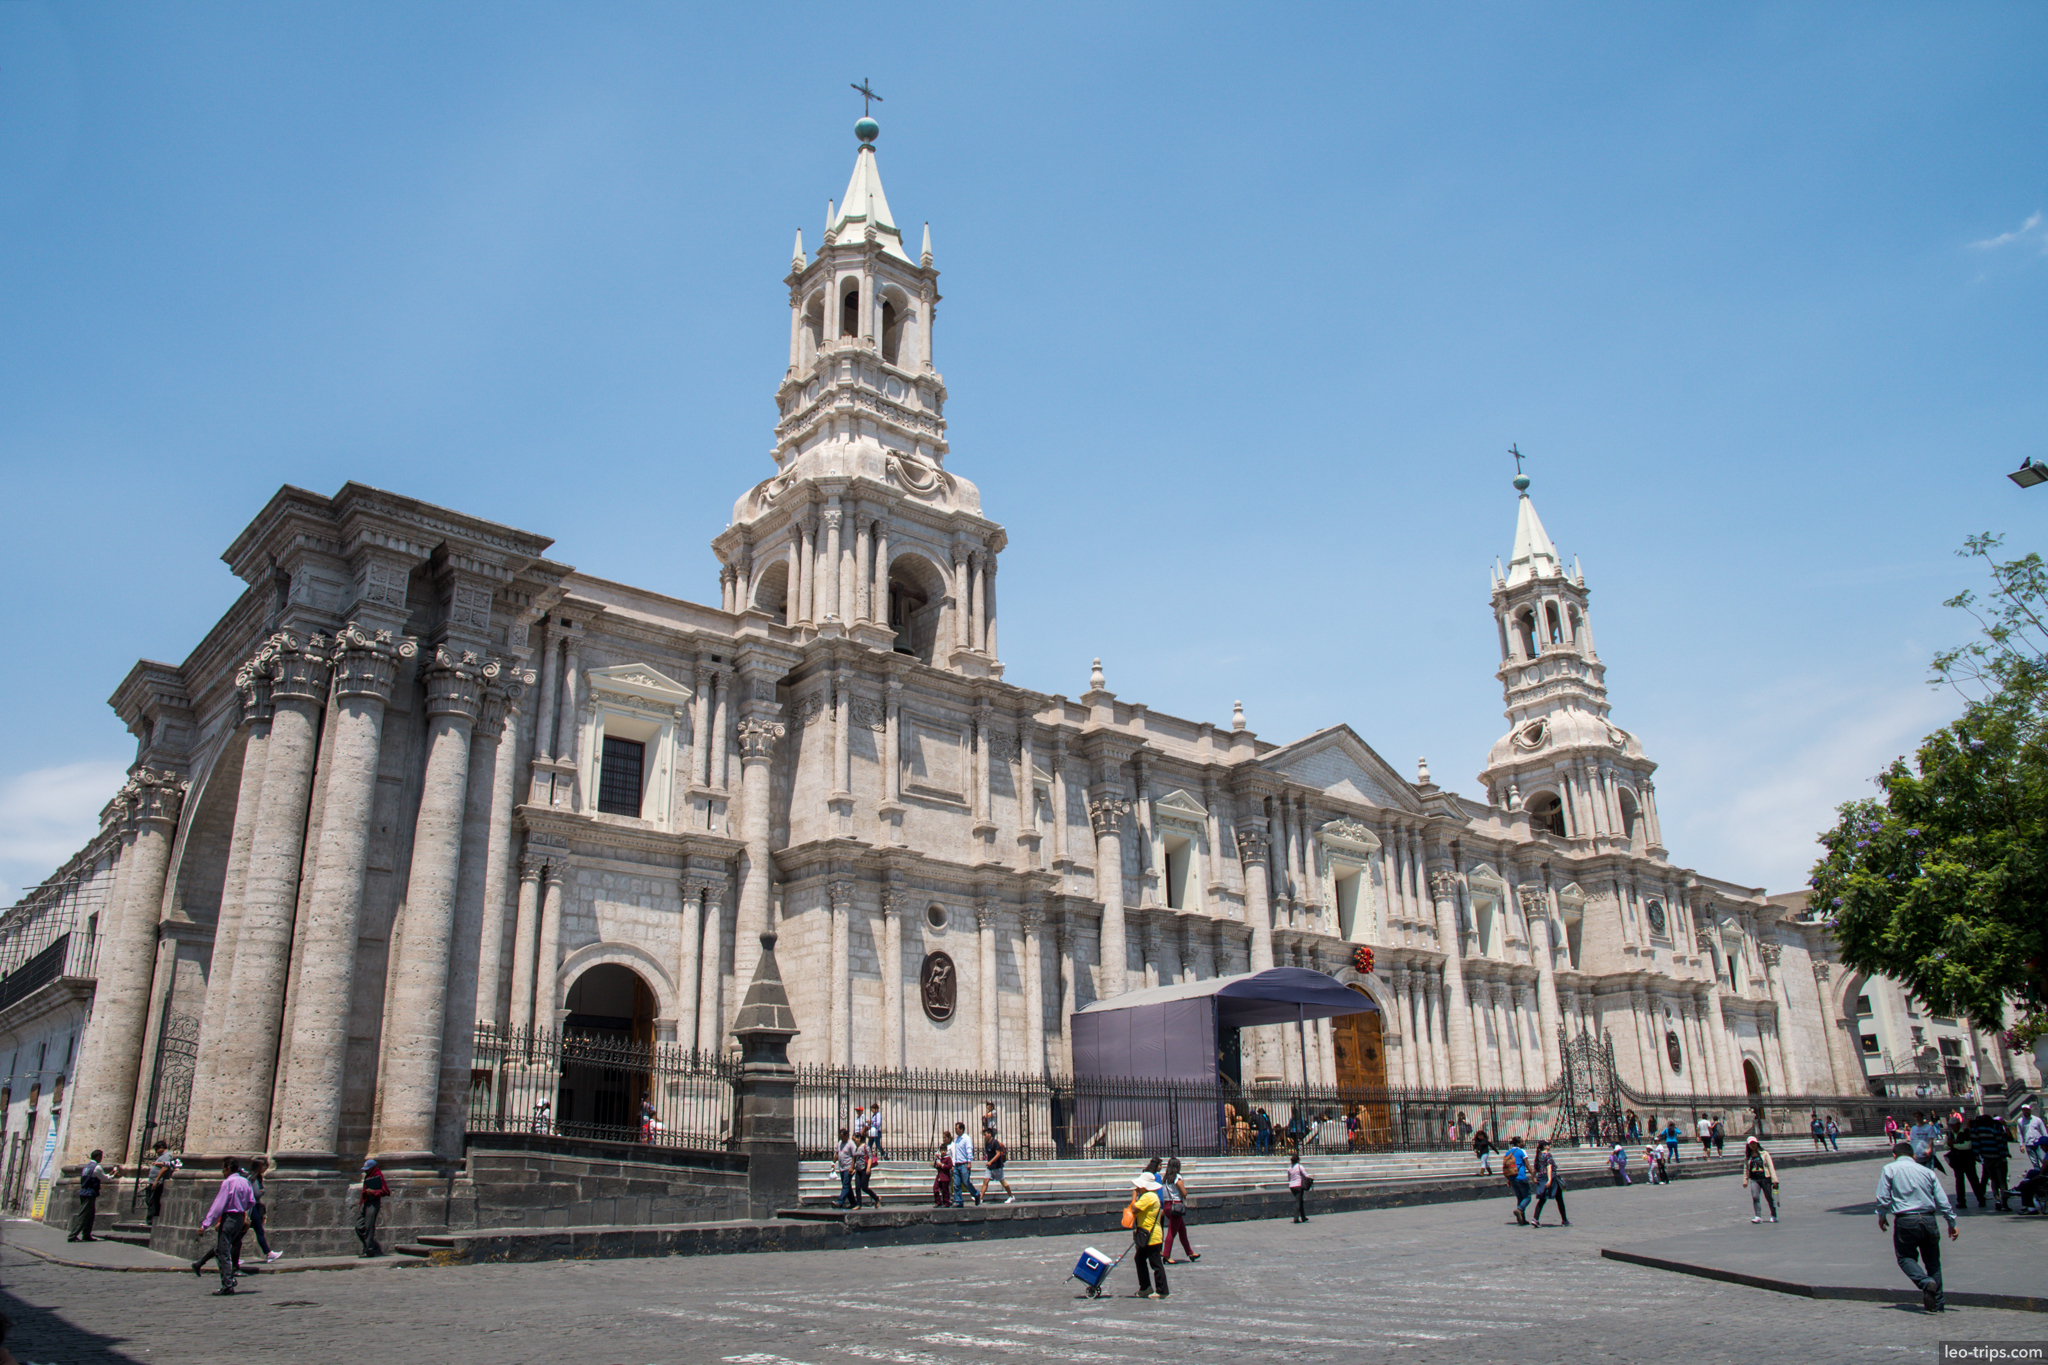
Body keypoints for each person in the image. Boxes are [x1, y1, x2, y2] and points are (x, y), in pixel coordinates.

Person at [1875, 1140, 1959, 1312]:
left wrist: (1882, 1215)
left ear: (1894, 1155)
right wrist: (1951, 1222)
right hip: (1929, 1219)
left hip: (1906, 1220)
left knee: (1905, 1258)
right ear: (1913, 1156)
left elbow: (1883, 1197)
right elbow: (1942, 1200)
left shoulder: (1890, 1169)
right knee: (1933, 1262)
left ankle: (1925, 1282)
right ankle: (1938, 1303)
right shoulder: (1927, 1171)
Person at [196, 1158, 256, 1295]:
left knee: (223, 1253)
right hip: (239, 1219)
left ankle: (228, 1284)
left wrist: (205, 1224)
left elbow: (218, 1206)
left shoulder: (228, 1183)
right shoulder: (245, 1181)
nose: (222, 1172)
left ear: (228, 1168)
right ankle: (225, 1276)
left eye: (223, 1169)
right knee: (221, 1249)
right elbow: (251, 1201)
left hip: (229, 1219)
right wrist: (241, 1208)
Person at [1126, 1174, 1168, 1298]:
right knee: (1139, 1259)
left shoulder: (1149, 1196)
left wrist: (1134, 1197)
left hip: (1151, 1236)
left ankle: (1162, 1290)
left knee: (1156, 1263)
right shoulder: (1150, 1196)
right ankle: (1145, 1287)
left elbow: (1134, 1209)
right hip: (1146, 1234)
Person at [1967, 1104, 2012, 1211]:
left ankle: (1997, 1199)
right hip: (1998, 1157)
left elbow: (1975, 1142)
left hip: (1987, 1158)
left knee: (1993, 1180)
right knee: (2002, 1181)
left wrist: (1977, 1155)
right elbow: (2001, 1141)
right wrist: (2004, 1154)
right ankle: (2004, 1202)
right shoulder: (1995, 1126)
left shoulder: (1977, 1128)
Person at [1160, 1157, 1199, 1264]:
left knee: (1182, 1231)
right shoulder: (1177, 1177)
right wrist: (1184, 1193)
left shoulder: (1165, 1179)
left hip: (1168, 1206)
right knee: (1172, 1232)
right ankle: (1166, 1255)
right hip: (1176, 1206)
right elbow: (1184, 1192)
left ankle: (1190, 1253)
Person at [247, 1156, 280, 1262]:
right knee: (258, 1230)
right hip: (252, 1207)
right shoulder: (253, 1178)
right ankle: (269, 1253)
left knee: (244, 1232)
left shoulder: (255, 1177)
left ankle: (269, 1253)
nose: (266, 1168)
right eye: (265, 1166)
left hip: (253, 1206)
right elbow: (257, 1193)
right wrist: (262, 1191)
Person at [355, 1158, 390, 1257]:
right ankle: (371, 1245)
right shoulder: (368, 1176)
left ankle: (369, 1250)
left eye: (367, 1169)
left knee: (369, 1226)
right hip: (365, 1202)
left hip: (373, 1202)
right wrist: (360, 1203)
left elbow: (386, 1191)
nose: (365, 1171)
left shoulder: (378, 1176)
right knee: (359, 1226)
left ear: (373, 1168)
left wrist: (373, 1192)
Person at [1944, 1113, 1978, 1211]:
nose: (1953, 1127)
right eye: (1951, 1125)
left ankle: (1980, 1198)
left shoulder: (1965, 1133)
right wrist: (1950, 1145)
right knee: (1959, 1182)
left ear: (1958, 1124)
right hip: (1957, 1161)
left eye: (1954, 1125)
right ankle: (1961, 1201)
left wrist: (1953, 1145)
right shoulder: (1949, 1134)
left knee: (1973, 1180)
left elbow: (1967, 1146)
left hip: (1968, 1161)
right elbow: (1945, 1146)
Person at [1531, 1139, 1569, 1228]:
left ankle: (1535, 1219)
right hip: (1550, 1178)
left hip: (1541, 1178)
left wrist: (1533, 1177)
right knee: (1559, 1200)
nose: (1549, 1146)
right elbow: (1549, 1167)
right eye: (1548, 1144)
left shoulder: (1539, 1156)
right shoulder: (1548, 1155)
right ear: (1544, 1146)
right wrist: (1549, 1180)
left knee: (1542, 1199)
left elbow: (1535, 1169)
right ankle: (1564, 1220)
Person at [1741, 1136, 1779, 1223]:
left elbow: (1771, 1167)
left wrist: (1774, 1180)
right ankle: (1758, 1216)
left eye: (1754, 1143)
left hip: (1765, 1178)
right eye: (1751, 1144)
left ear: (1757, 1143)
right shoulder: (1748, 1157)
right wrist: (1745, 1180)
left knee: (1769, 1197)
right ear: (1748, 1145)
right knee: (1755, 1197)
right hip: (1754, 1179)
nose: (1753, 1145)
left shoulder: (1764, 1153)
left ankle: (1773, 1215)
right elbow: (1746, 1169)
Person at [144, 1143, 179, 1227]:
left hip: (158, 1182)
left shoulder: (167, 1155)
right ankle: (151, 1220)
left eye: (157, 1149)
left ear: (162, 1147)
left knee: (153, 1200)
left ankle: (152, 1220)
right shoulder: (164, 1155)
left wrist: (156, 1180)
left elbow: (165, 1167)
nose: (156, 1152)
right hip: (154, 1181)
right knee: (150, 1199)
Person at [1504, 1136, 1532, 1225]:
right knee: (1527, 1197)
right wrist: (1533, 1175)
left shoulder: (1508, 1152)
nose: (1523, 1143)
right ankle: (1519, 1210)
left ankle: (1522, 1219)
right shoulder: (1521, 1151)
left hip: (1512, 1177)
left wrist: (1508, 1179)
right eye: (1522, 1142)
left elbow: (1507, 1167)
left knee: (1520, 1198)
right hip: (1521, 1176)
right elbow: (1527, 1164)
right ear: (1518, 1143)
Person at [949, 1122, 979, 1206]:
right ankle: (958, 1201)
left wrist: (969, 1162)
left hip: (964, 1164)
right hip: (957, 1164)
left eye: (957, 1129)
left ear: (961, 1129)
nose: (955, 1130)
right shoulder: (957, 1139)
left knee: (966, 1182)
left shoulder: (966, 1138)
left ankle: (976, 1194)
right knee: (956, 1184)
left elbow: (969, 1150)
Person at [981, 1128, 1013, 1204]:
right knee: (985, 1181)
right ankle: (980, 1198)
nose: (984, 1137)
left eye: (985, 1135)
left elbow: (998, 1154)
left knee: (1002, 1181)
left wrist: (990, 1162)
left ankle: (1011, 1196)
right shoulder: (987, 1143)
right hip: (990, 1167)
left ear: (989, 1134)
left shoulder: (995, 1143)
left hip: (997, 1166)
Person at [852, 1130, 879, 1208]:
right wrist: (853, 1167)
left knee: (864, 1187)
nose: (854, 1141)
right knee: (857, 1187)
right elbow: (855, 1158)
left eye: (855, 1139)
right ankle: (858, 1204)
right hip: (858, 1169)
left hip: (864, 1169)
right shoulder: (856, 1148)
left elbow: (870, 1157)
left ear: (859, 1138)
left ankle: (876, 1198)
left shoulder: (865, 1147)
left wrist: (868, 1168)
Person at [833, 1127, 857, 1208]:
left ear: (846, 1135)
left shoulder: (851, 1144)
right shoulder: (840, 1143)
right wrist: (833, 1162)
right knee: (847, 1186)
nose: (841, 1139)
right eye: (840, 1137)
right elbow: (837, 1153)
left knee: (845, 1185)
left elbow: (854, 1156)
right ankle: (853, 1203)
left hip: (848, 1168)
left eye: (842, 1137)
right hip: (842, 1168)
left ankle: (840, 1202)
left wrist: (852, 1167)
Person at [2020, 1102, 2047, 1169]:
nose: (2026, 1112)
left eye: (2027, 1110)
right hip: (2028, 1144)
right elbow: (2019, 1133)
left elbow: (2044, 1132)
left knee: (2043, 1159)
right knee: (2035, 1163)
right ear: (2022, 1111)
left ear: (2030, 1110)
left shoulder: (2037, 1120)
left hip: (2039, 1144)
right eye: (2024, 1110)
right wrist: (2021, 1145)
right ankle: (2038, 1174)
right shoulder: (2020, 1121)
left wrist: (2046, 1143)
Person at [931, 1133, 953, 1207]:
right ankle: (938, 1201)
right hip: (939, 1176)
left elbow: (949, 1166)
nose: (943, 1152)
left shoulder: (948, 1158)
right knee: (935, 1188)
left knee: (945, 1191)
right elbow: (935, 1166)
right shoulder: (939, 1158)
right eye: (942, 1150)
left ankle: (946, 1202)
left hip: (945, 1177)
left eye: (944, 1150)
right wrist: (936, 1162)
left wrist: (942, 1165)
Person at [1287, 1153, 1310, 1223]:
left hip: (1292, 1186)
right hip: (1298, 1186)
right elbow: (1306, 1175)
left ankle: (1303, 1217)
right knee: (1298, 1201)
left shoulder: (1289, 1169)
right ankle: (1296, 1218)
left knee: (1300, 1200)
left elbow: (1289, 1178)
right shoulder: (1299, 1167)